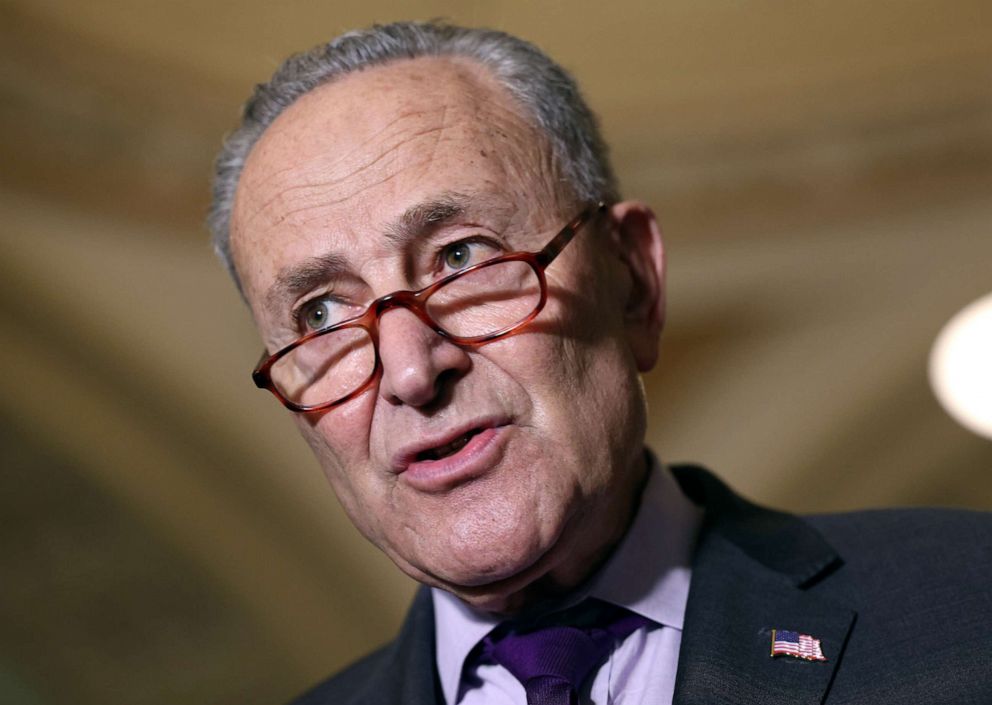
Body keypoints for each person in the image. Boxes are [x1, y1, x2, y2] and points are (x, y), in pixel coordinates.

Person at [208, 21, 991, 705]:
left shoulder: (968, 604)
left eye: (460, 256)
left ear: (633, 279)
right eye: (321, 315)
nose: (411, 371)